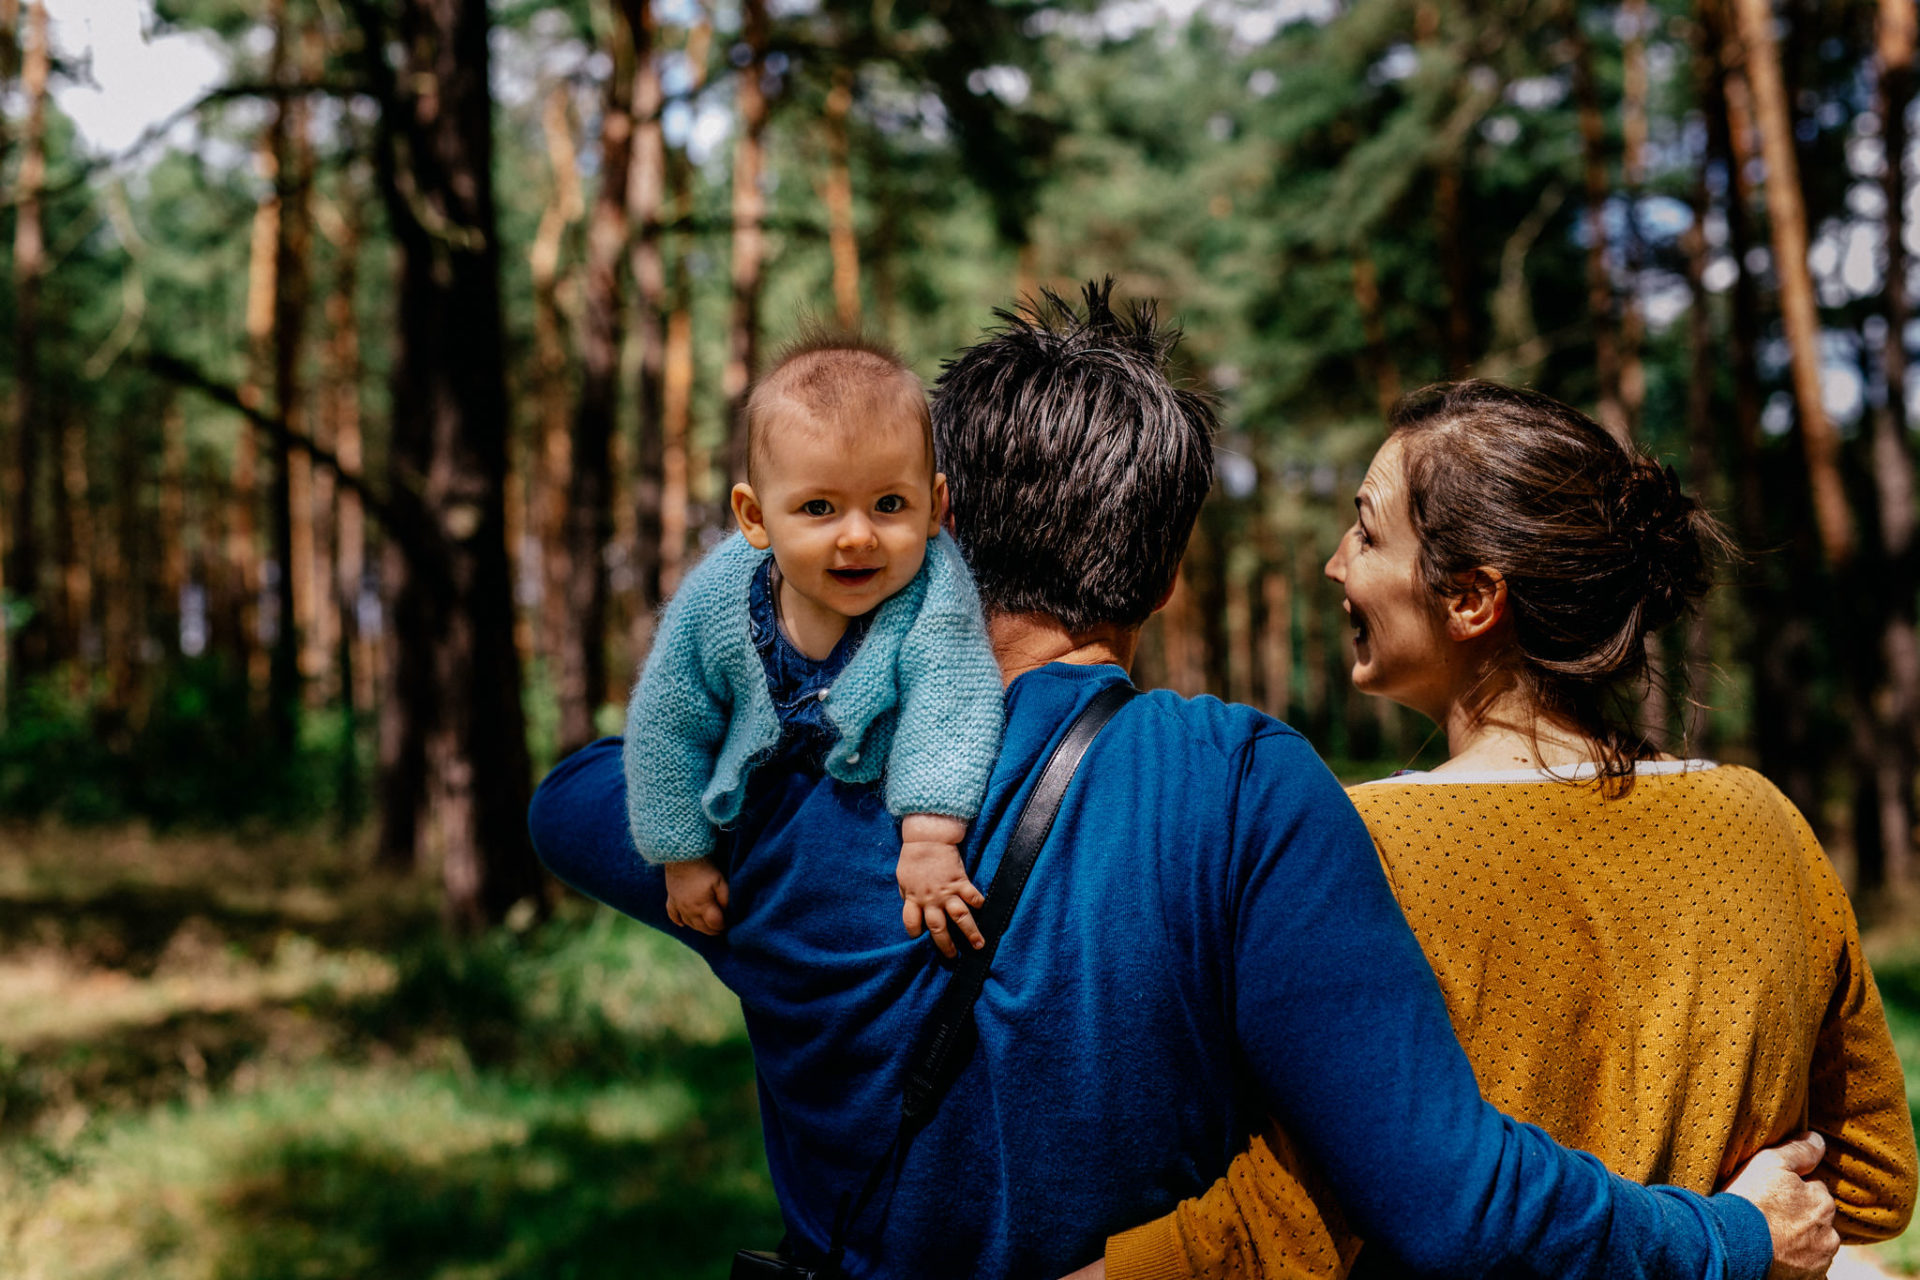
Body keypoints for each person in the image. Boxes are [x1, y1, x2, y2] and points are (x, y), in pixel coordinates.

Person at [528, 285, 1837, 1280]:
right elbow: (1449, 1200)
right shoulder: (1235, 785)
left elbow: (570, 797)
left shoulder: (771, 789)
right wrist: (1728, 1240)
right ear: (1164, 575)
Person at [1098, 381, 1917, 1279]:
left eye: (1367, 533)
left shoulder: (1358, 846)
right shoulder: (1765, 823)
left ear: (1472, 600)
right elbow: (1874, 1181)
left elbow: (1285, 1230)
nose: (1335, 565)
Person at [623, 336, 1003, 956]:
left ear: (934, 506)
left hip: (866, 812)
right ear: (755, 517)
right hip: (752, 814)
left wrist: (930, 838)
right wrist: (681, 856)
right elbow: (667, 720)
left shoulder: (934, 592)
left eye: (889, 504)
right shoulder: (719, 601)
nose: (858, 536)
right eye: (819, 507)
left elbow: (951, 706)